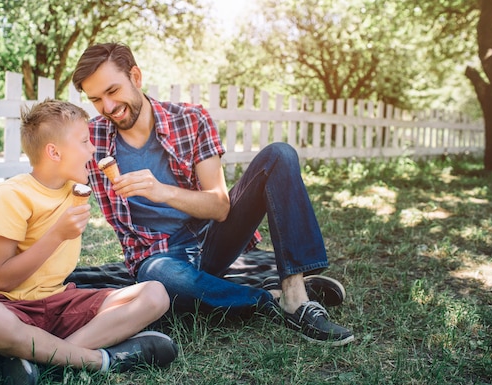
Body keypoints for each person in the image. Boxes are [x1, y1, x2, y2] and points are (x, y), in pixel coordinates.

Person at [72, 43, 355, 347]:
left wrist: (161, 191)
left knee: (280, 155)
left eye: (113, 91)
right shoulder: (91, 138)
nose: (108, 106)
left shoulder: (191, 120)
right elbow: (55, 188)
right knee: (158, 275)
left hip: (212, 239)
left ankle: (296, 294)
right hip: (158, 257)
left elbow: (220, 207)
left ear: (136, 77)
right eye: (96, 99)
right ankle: (270, 297)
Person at [0, 99, 178, 385]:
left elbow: (120, 184)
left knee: (155, 294)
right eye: (85, 141)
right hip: (6, 304)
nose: (92, 149)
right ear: (54, 152)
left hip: (57, 303)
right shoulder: (10, 196)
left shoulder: (76, 189)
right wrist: (57, 235)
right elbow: (2, 279)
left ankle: (40, 358)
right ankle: (99, 360)